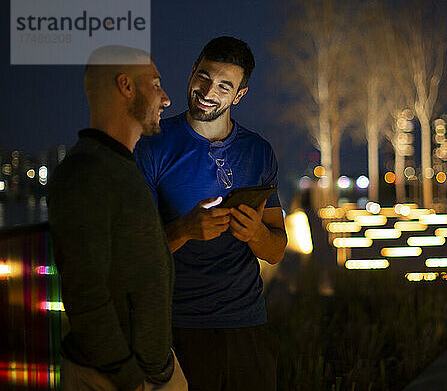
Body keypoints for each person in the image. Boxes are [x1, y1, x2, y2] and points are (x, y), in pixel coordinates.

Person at [134, 36, 287, 391]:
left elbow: (276, 252)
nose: (208, 91)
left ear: (239, 95)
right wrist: (186, 229)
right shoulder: (152, 143)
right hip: (174, 327)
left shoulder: (258, 152)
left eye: (224, 85)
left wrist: (255, 234)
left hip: (246, 325)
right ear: (191, 72)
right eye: (203, 77)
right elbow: (136, 253)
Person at [48, 45, 187, 391]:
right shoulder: (87, 171)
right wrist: (128, 377)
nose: (166, 99)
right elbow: (85, 292)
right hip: (113, 379)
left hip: (151, 372)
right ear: (126, 86)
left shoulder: (121, 167)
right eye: (155, 84)